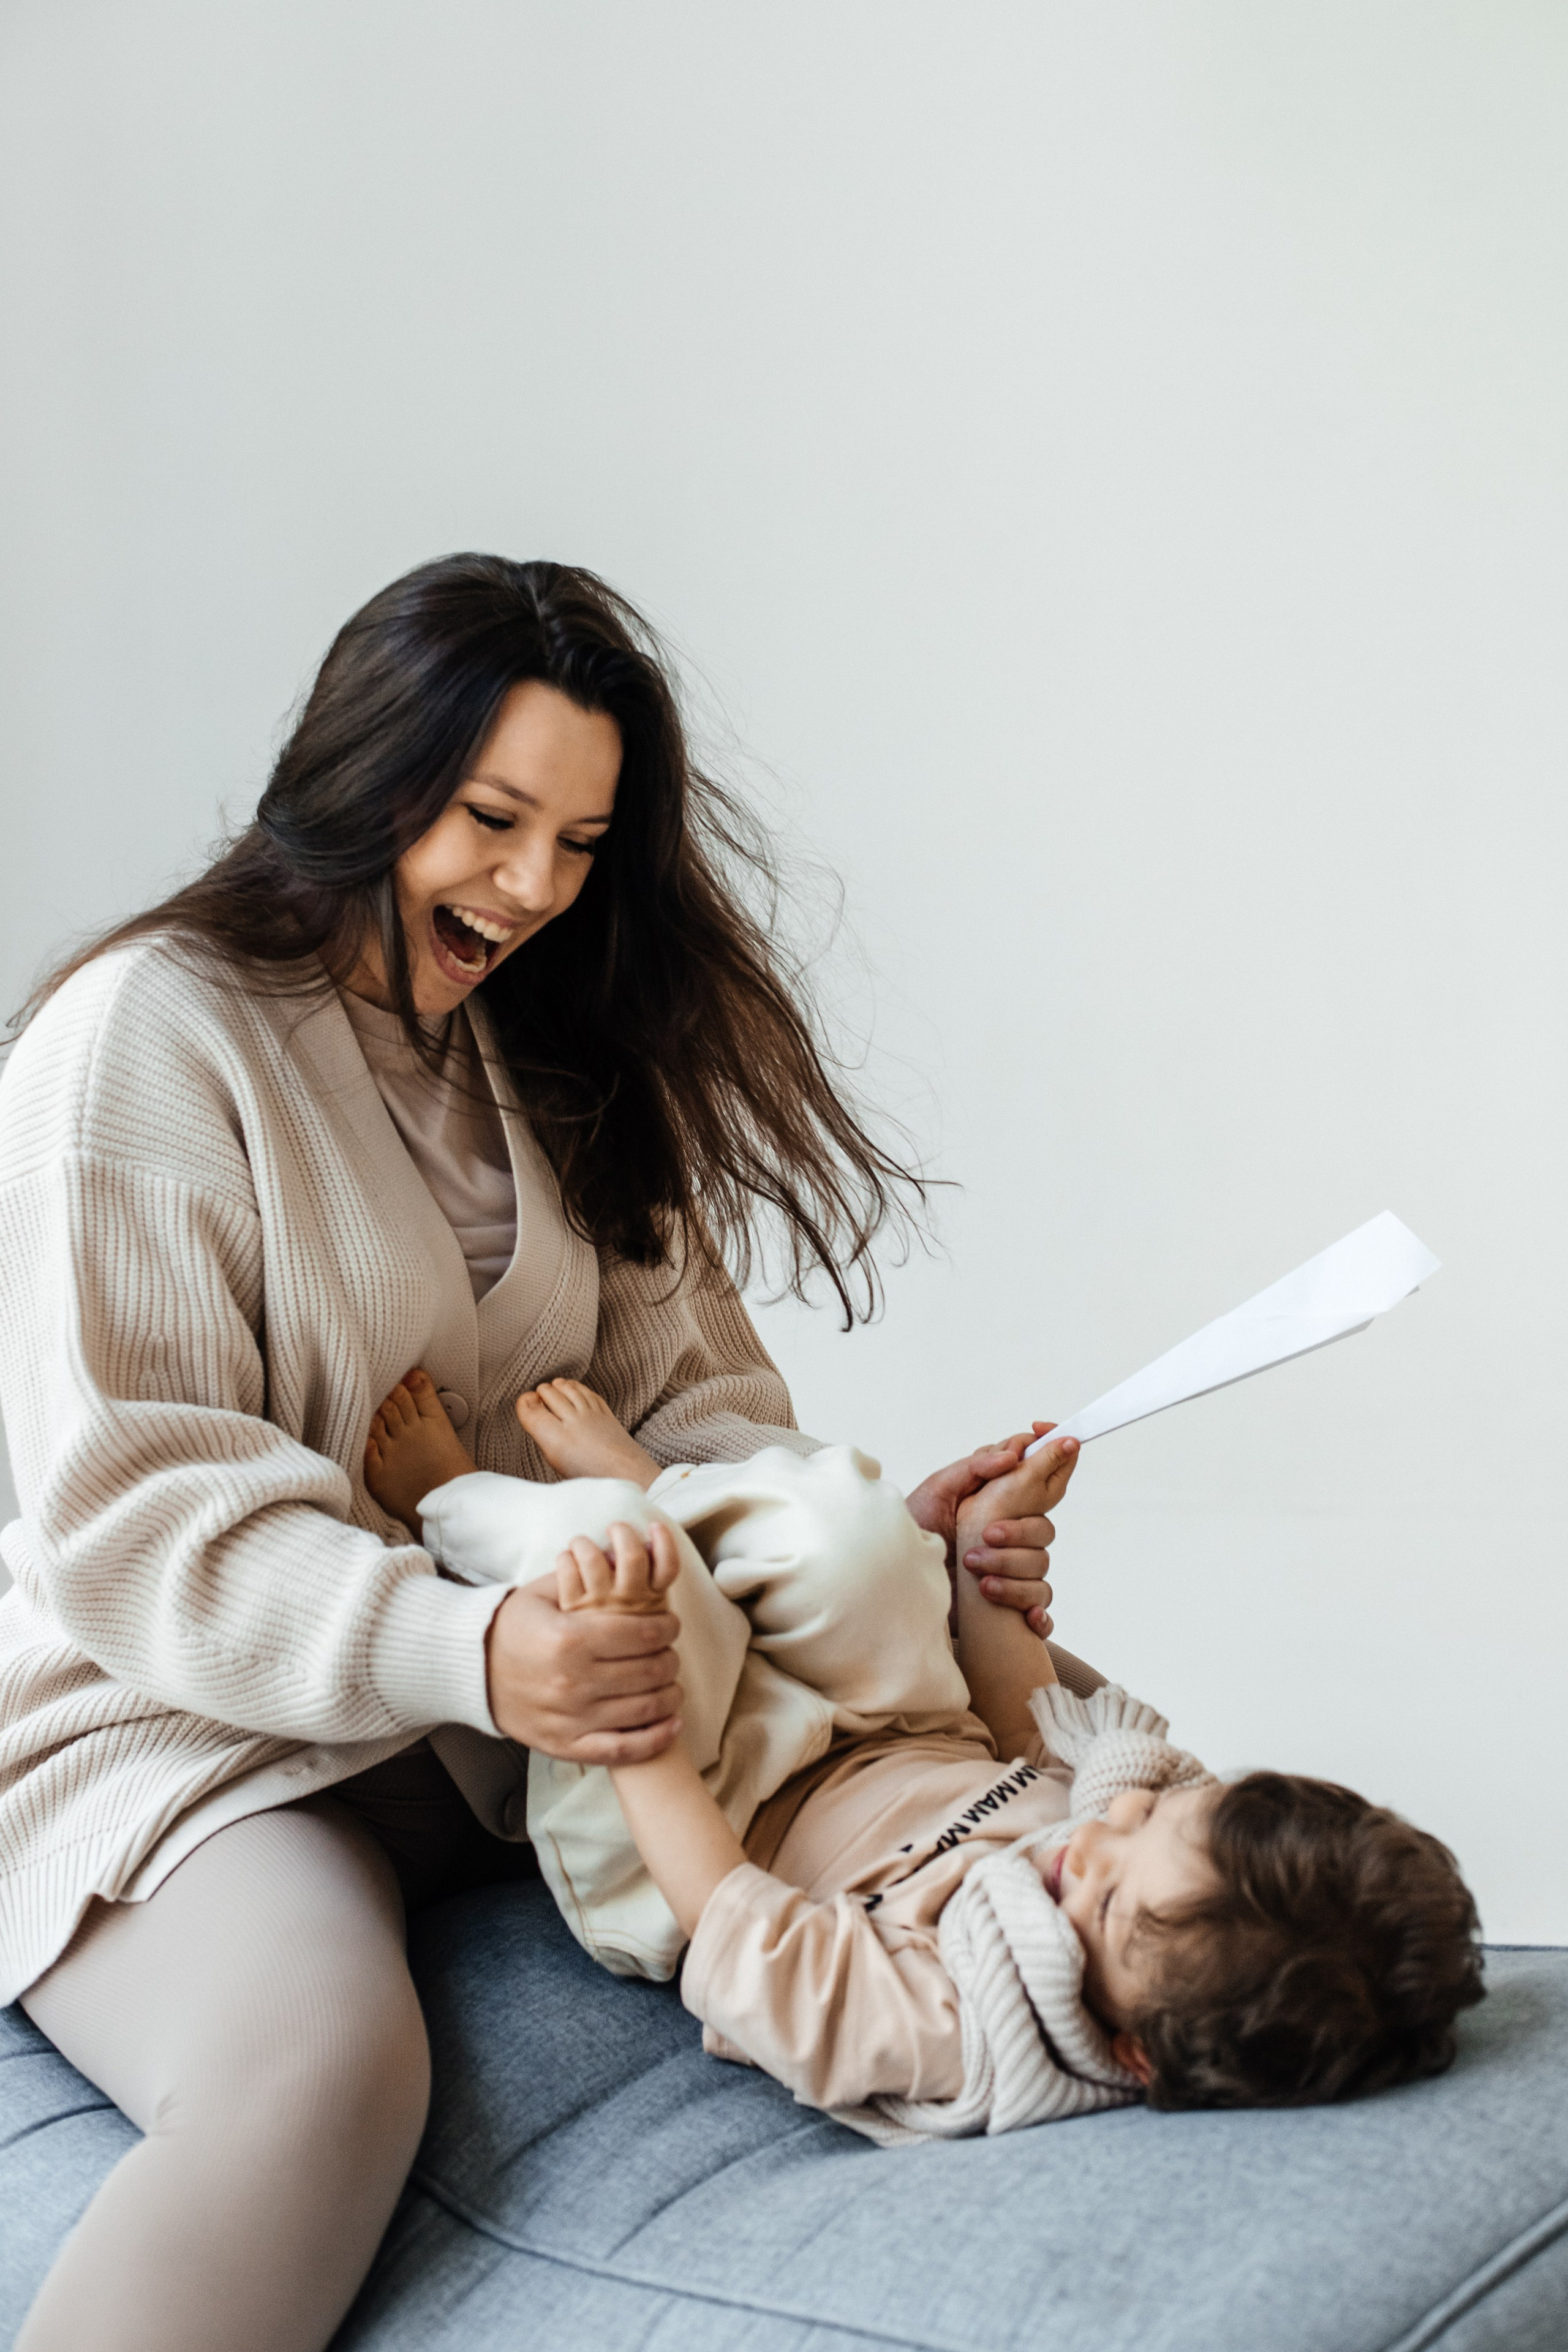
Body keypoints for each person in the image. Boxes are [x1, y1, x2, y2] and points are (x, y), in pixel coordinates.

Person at [0, 557, 1067, 2352]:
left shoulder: (548, 1061)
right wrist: (480, 1647)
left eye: (580, 845)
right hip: (173, 1719)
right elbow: (138, 1510)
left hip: (513, 1735)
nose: (531, 889)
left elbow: (711, 1416)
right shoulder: (149, 1033)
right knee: (320, 2070)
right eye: (493, 820)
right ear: (362, 773)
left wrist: (889, 1563)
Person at [362, 1368, 1487, 2139]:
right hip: (885, 1726)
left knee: (614, 1557)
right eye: (1147, 1822)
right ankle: (672, 1492)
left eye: (1106, 1899)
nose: (1093, 1842)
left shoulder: (959, 2031)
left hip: (694, 1816)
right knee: (857, 1538)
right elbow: (1027, 1730)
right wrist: (981, 1561)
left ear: (1134, 2055)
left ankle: (450, 1498)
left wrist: (636, 1724)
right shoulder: (1124, 1856)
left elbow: (738, 1926)